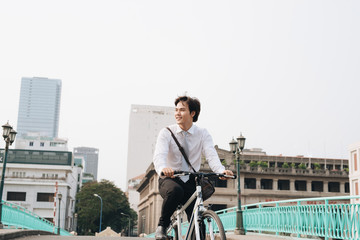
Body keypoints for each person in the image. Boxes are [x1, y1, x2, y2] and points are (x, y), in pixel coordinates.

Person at [153, 95, 234, 240]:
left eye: (182, 110)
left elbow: (211, 155)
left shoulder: (202, 133)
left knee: (198, 222)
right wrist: (163, 168)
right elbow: (159, 156)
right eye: (176, 110)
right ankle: (162, 227)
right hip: (170, 178)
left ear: (193, 113)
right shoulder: (166, 132)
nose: (177, 113)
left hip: (191, 180)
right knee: (175, 191)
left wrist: (221, 170)